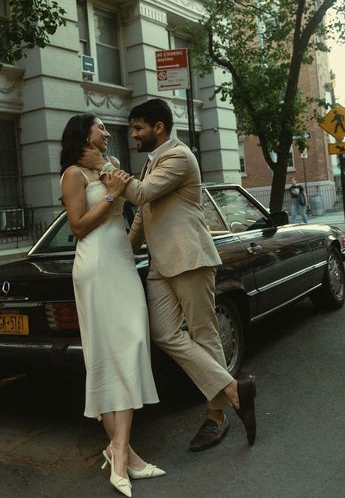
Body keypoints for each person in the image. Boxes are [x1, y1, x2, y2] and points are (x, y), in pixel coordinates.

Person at [79, 98, 257, 452]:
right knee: (163, 333)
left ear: (158, 127)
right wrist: (124, 252)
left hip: (190, 258)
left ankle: (216, 416)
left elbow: (141, 194)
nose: (133, 135)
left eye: (138, 128)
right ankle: (235, 388)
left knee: (205, 335)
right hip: (160, 266)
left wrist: (103, 167)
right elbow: (144, 213)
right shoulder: (150, 163)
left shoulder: (178, 157)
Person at [60, 113, 165, 498]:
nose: (107, 132)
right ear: (83, 134)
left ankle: (119, 450)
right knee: (105, 355)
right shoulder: (72, 175)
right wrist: (109, 193)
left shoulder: (113, 166)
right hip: (95, 265)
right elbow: (78, 226)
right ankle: (124, 454)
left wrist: (110, 178)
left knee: (134, 344)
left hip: (121, 260)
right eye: (100, 127)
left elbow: (132, 202)